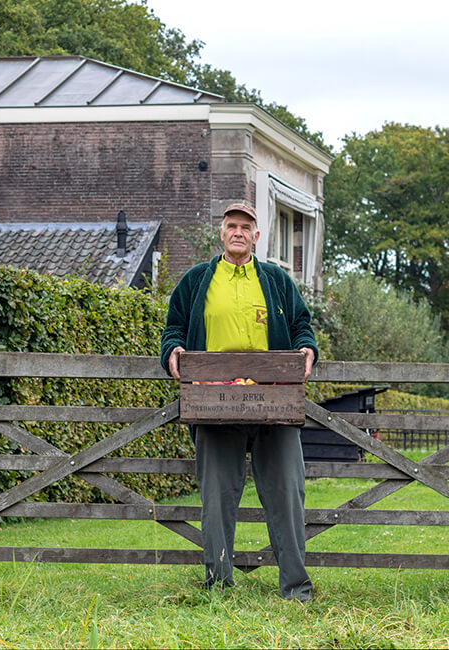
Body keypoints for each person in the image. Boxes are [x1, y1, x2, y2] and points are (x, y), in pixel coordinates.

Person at [159, 202, 318, 602]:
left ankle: (296, 588)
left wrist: (307, 351)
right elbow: (173, 327)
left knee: (287, 492)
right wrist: (174, 351)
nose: (238, 232)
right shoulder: (196, 281)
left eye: (245, 227)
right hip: (213, 402)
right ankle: (218, 586)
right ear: (221, 232)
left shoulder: (277, 281)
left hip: (276, 404)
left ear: (256, 236)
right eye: (231, 226)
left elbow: (303, 326)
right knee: (216, 498)